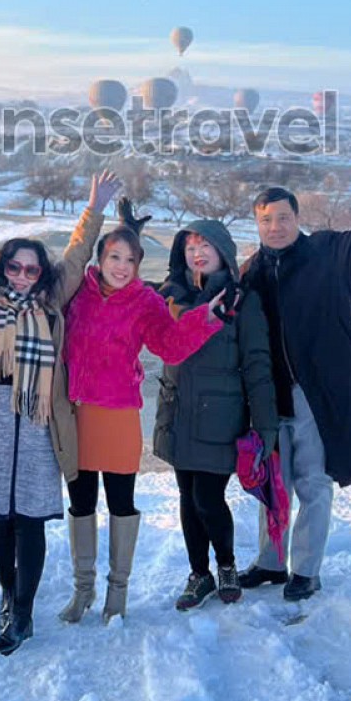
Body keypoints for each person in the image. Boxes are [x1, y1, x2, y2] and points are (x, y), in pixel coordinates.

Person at [0, 151, 117, 656]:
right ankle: (6, 595)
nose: (22, 276)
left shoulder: (50, 301)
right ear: (3, 269)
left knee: (32, 520)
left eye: (31, 270)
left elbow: (79, 254)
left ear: (41, 275)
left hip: (39, 421)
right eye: (15, 268)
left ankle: (23, 611)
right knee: (1, 517)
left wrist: (93, 209)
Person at [238, 134, 351, 605]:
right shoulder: (251, 271)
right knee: (272, 486)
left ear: (299, 219)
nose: (275, 227)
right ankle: (270, 562)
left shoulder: (331, 255)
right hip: (270, 399)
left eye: (284, 218)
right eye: (266, 220)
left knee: (313, 483)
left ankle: (305, 571)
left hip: (317, 395)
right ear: (258, 223)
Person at [58, 206, 228, 625]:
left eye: (130, 260)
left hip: (117, 416)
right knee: (81, 504)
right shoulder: (77, 290)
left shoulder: (144, 301)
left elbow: (169, 346)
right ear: (100, 259)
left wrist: (206, 317)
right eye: (114, 257)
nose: (122, 267)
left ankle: (118, 593)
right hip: (76, 412)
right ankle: (83, 590)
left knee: (120, 503)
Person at [154, 219, 278, 610]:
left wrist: (264, 425)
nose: (197, 252)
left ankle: (225, 565)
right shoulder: (169, 295)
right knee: (187, 498)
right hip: (178, 413)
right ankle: (199, 573)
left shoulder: (242, 300)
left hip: (220, 418)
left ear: (223, 251)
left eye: (205, 244)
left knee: (208, 497)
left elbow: (258, 364)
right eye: (190, 245)